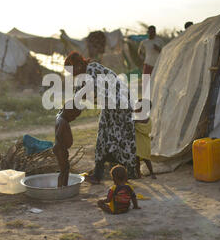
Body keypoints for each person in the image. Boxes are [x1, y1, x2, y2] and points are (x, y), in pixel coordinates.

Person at [64, 51, 137, 183]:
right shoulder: (85, 73)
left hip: (120, 105)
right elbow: (79, 94)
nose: (71, 74)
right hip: (111, 106)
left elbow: (87, 90)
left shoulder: (92, 68)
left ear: (79, 65)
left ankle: (122, 173)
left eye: (71, 70)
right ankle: (108, 173)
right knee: (106, 137)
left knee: (118, 138)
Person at [53, 100, 82, 187]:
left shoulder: (60, 117)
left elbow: (61, 111)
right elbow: (58, 135)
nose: (74, 119)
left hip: (61, 148)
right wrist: (63, 146)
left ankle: (64, 186)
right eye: (73, 116)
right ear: (68, 112)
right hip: (60, 149)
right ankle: (60, 188)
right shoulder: (62, 122)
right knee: (63, 170)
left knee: (66, 168)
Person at [134, 99, 155, 179]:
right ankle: (152, 173)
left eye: (136, 108)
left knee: (137, 160)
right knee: (147, 159)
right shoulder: (148, 119)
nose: (134, 109)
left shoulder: (137, 120)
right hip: (145, 142)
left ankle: (139, 174)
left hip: (139, 143)